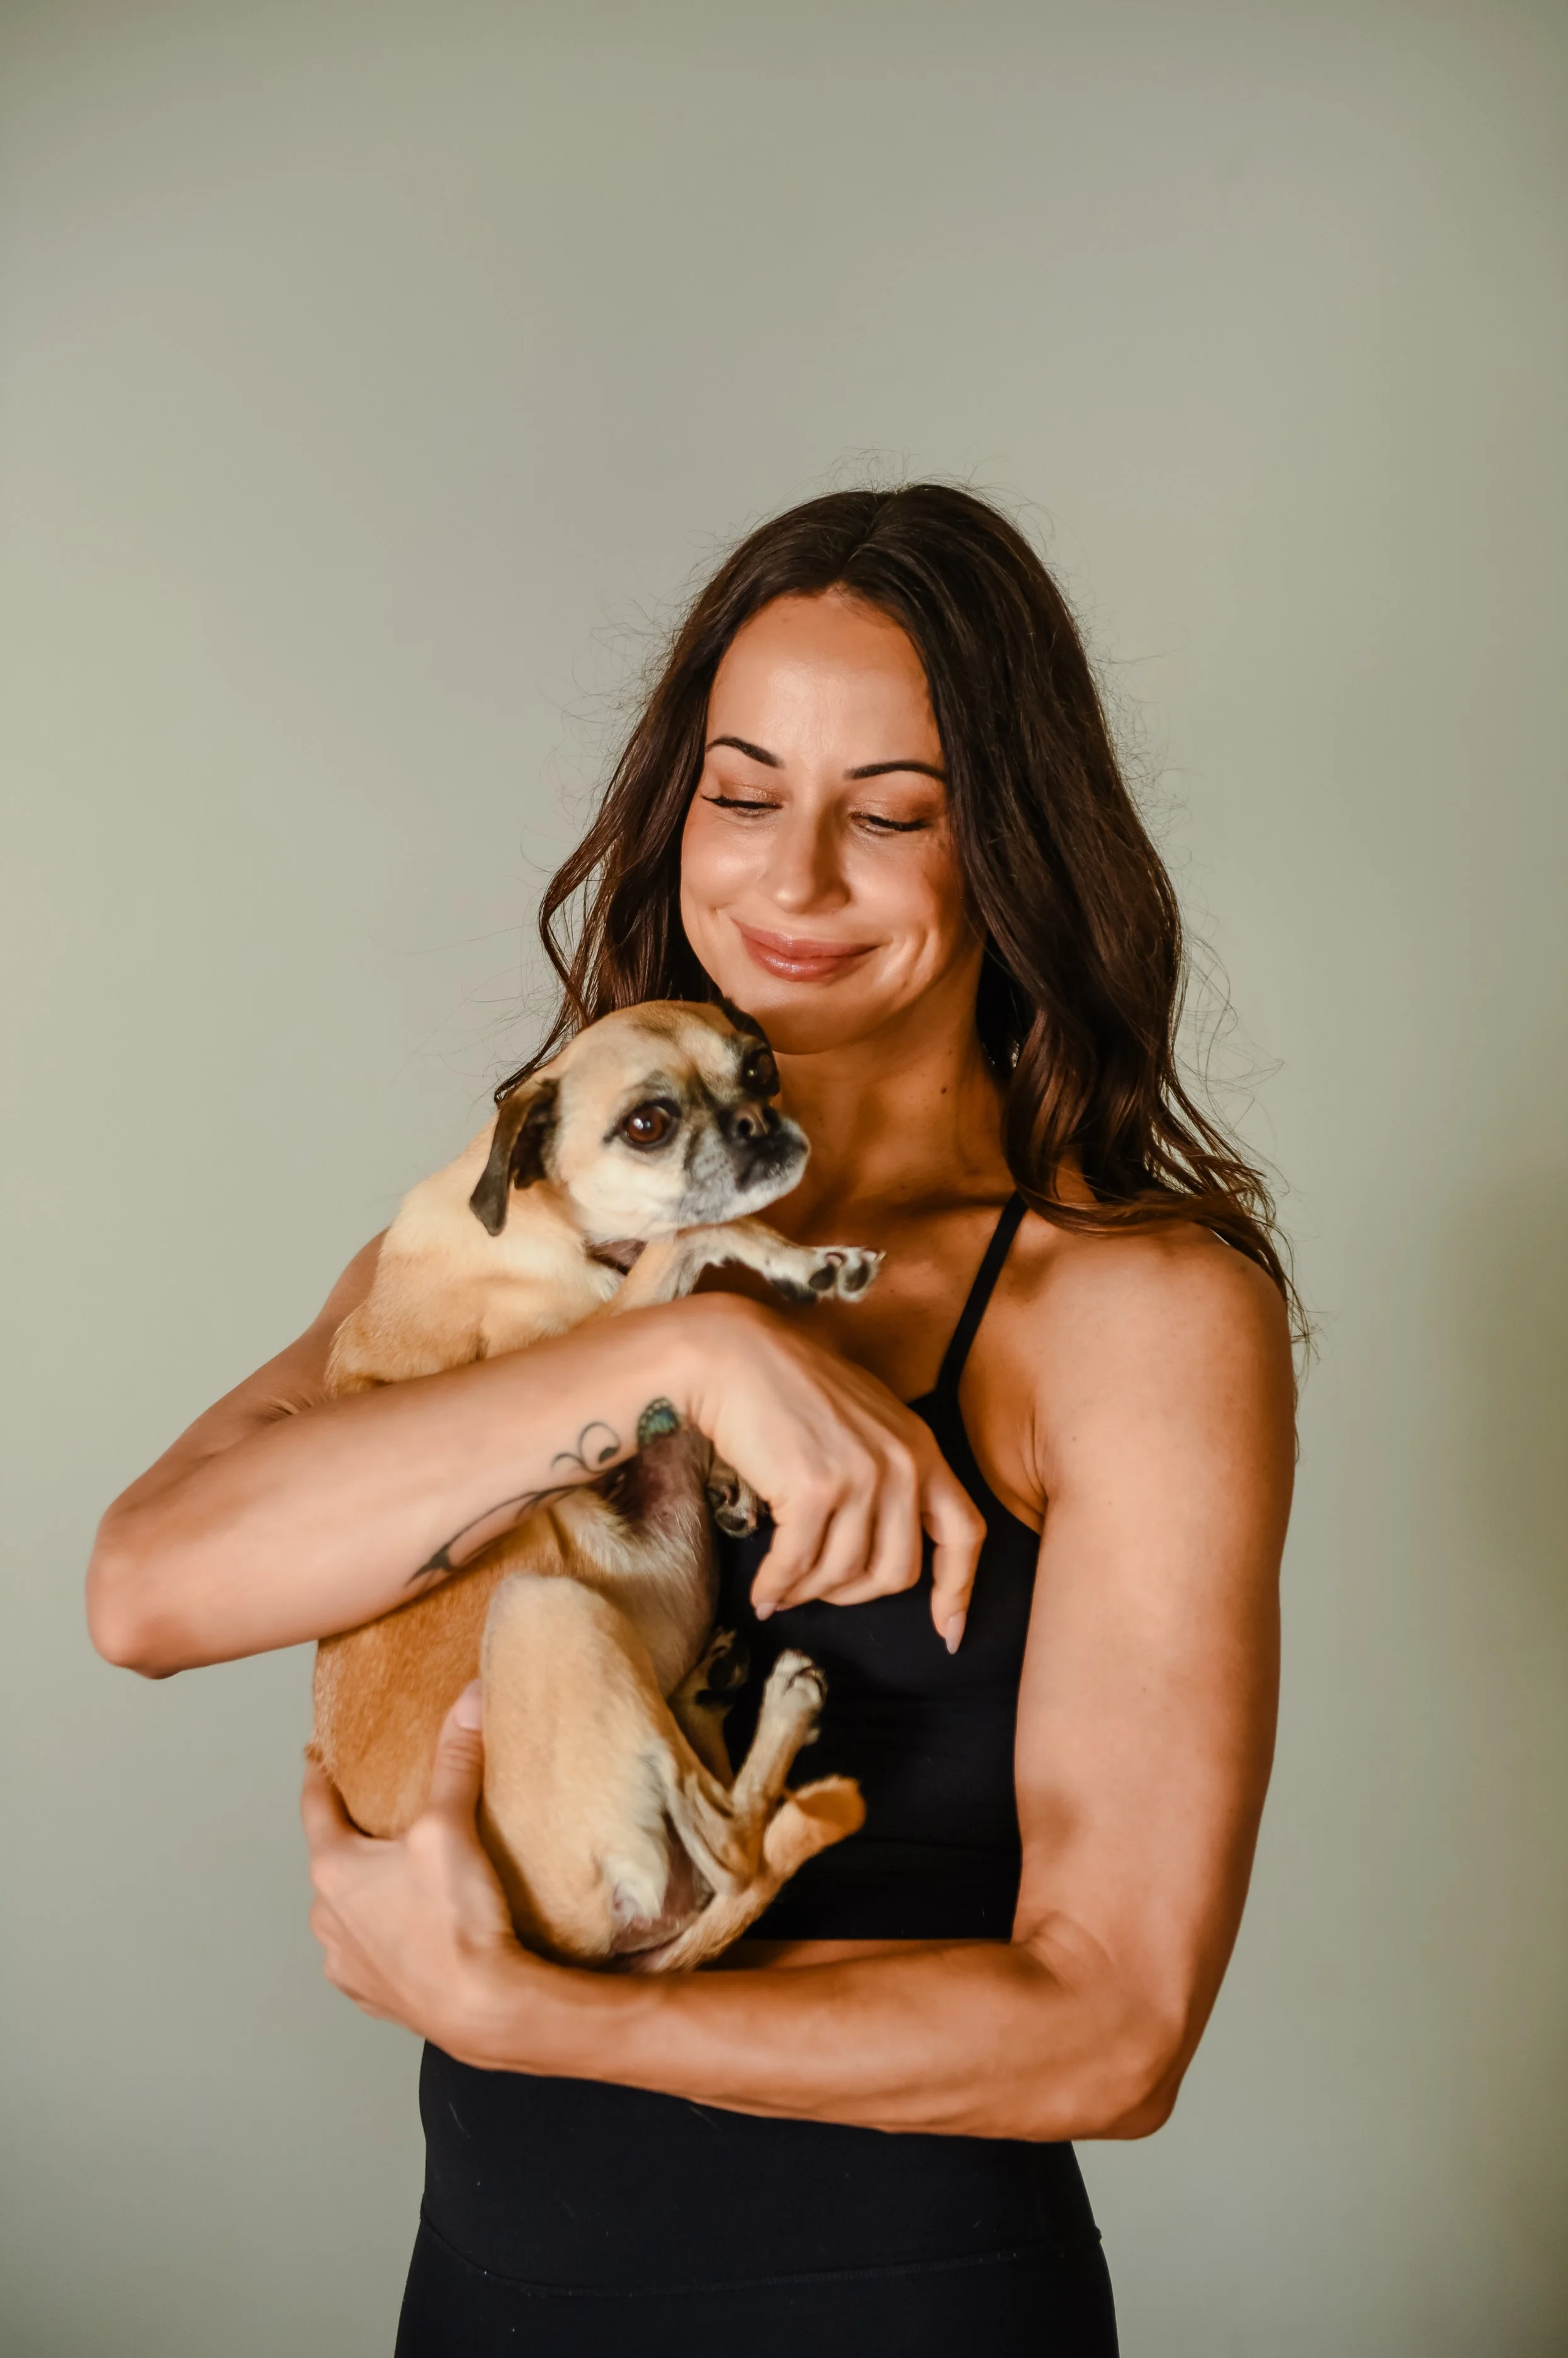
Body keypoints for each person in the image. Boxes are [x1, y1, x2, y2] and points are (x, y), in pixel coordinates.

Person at [87, 485, 1296, 2355]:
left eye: (891, 813)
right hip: (488, 2304)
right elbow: (152, 1591)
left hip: (889, 2310)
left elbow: (1109, 2028)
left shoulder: (1129, 1312)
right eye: (742, 795)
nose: (792, 881)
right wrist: (684, 1360)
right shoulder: (541, 1233)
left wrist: (545, 2022)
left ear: (1016, 851)